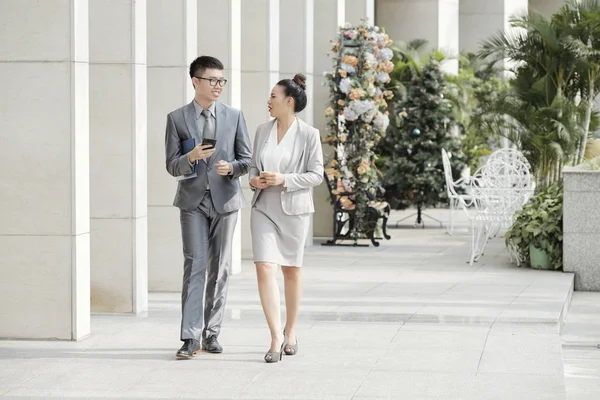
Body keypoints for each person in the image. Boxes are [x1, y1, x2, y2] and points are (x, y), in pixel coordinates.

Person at [165, 55, 252, 358]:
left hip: (226, 202)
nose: (218, 86)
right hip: (192, 203)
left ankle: (211, 333)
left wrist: (233, 168)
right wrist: (191, 158)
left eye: (221, 81)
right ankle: (190, 337)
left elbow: (248, 159)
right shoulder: (177, 118)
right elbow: (171, 165)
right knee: (195, 266)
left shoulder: (234, 116)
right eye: (212, 80)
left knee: (220, 269)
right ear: (195, 81)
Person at [248, 73, 324, 363]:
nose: (268, 101)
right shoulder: (261, 130)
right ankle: (275, 335)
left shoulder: (309, 134)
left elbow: (316, 175)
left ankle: (290, 331)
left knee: (291, 270)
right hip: (263, 208)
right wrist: (256, 181)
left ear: (288, 101)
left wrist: (284, 178)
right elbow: (254, 168)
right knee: (264, 267)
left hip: (294, 210)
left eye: (273, 96)